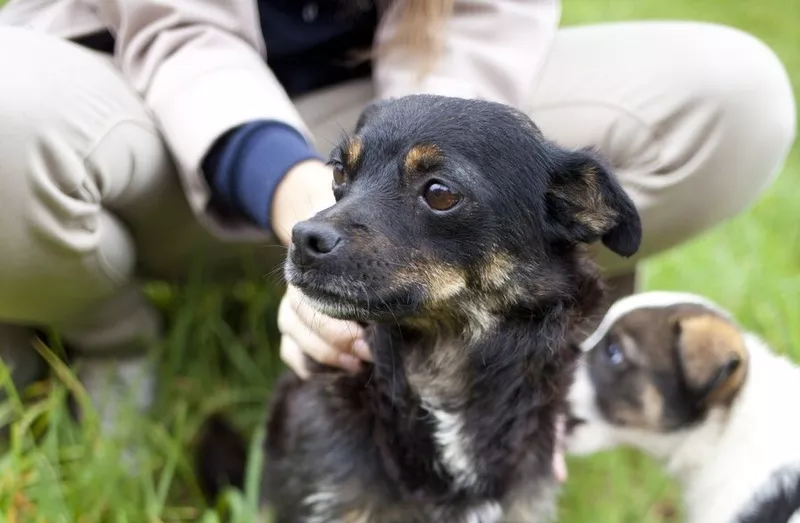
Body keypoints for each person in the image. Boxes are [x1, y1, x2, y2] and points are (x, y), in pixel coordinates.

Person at [0, 0, 794, 435]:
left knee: (732, 93)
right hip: (150, 110)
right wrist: (320, 216)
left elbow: (462, 62)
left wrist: (400, 202)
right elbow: (182, 36)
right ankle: (107, 342)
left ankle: (511, 358)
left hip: (385, 119)